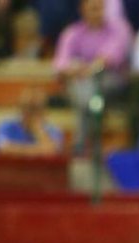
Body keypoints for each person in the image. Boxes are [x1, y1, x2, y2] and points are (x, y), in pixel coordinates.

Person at [54, 0, 132, 151]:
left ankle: (81, 144)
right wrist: (77, 69)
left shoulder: (118, 29)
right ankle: (93, 144)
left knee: (88, 84)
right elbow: (60, 64)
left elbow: (110, 58)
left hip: (110, 81)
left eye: (99, 8)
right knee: (86, 91)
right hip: (81, 83)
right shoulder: (72, 32)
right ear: (82, 10)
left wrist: (85, 69)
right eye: (92, 8)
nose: (97, 12)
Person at [0, 87, 65, 155]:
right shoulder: (6, 125)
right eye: (26, 107)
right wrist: (38, 150)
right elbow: (2, 148)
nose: (30, 113)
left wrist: (39, 131)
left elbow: (51, 151)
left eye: (35, 108)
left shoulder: (53, 129)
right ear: (20, 108)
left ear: (44, 112)